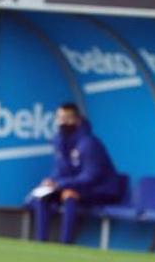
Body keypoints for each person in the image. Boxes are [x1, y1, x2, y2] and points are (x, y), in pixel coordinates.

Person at [31, 103, 124, 244]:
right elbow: (60, 170)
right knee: (43, 197)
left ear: (77, 120)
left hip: (100, 189)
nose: (63, 122)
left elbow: (91, 176)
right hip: (74, 186)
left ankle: (65, 243)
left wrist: (61, 185)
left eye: (67, 118)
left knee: (69, 196)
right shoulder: (59, 141)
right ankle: (40, 241)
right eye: (60, 118)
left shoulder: (89, 143)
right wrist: (52, 181)